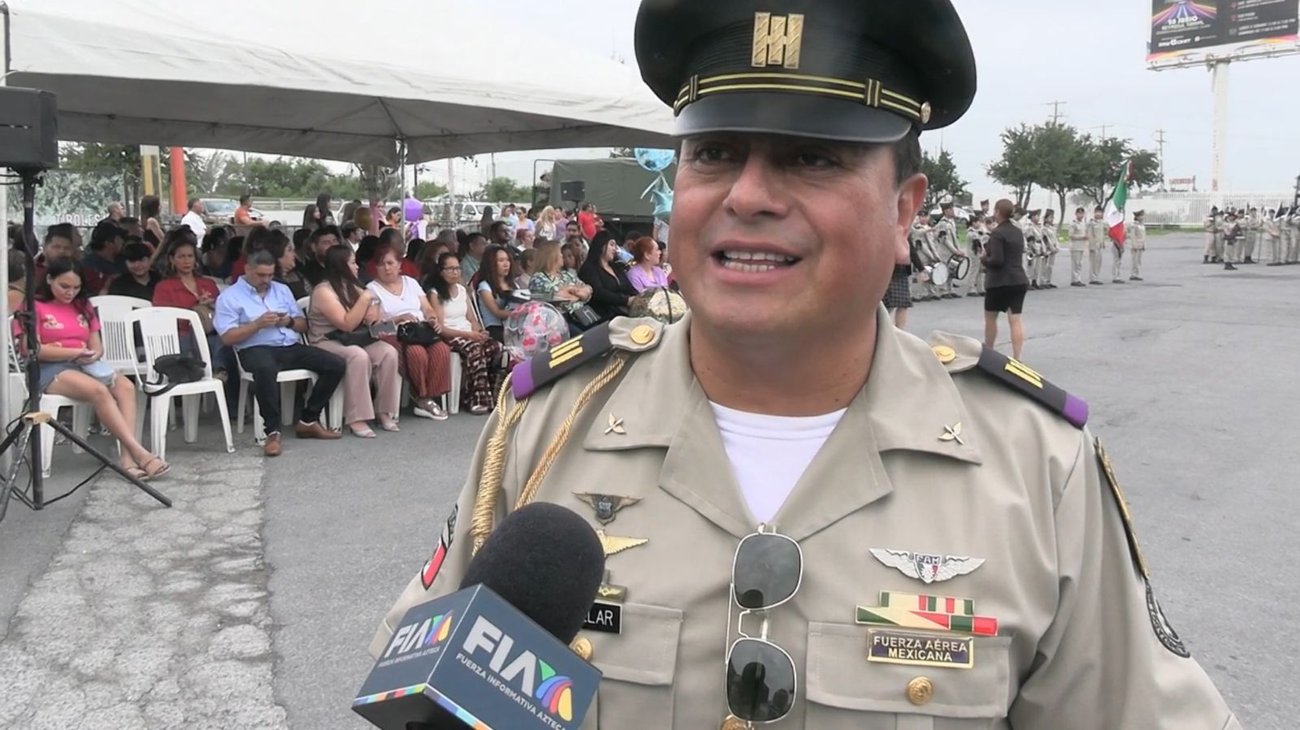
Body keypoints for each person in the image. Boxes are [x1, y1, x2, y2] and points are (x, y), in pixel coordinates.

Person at [370, 1, 1242, 727]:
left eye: (812, 157)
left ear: (905, 211)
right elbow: (425, 692)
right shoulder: (551, 425)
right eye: (715, 153)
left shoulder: (1034, 463)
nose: (748, 194)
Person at [29, 259, 169, 481]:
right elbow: (34, 350)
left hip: (84, 364)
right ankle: (140, 453)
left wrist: (92, 354)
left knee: (125, 386)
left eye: (75, 288)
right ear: (49, 279)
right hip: (50, 368)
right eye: (64, 286)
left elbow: (97, 345)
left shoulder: (82, 305)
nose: (70, 292)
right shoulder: (34, 307)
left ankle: (127, 459)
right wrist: (72, 353)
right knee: (99, 391)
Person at [214, 250, 345, 457]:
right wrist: (256, 325)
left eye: (270, 275)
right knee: (265, 368)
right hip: (254, 349)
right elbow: (227, 338)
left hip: (288, 346)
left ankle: (308, 419)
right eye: (261, 275)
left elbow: (303, 325)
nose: (266, 280)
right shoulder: (229, 297)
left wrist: (289, 321)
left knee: (336, 364)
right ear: (247, 269)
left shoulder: (281, 290)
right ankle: (272, 432)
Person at [307, 246, 402, 437]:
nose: (357, 267)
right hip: (325, 341)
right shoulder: (323, 291)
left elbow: (371, 317)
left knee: (388, 352)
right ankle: (357, 418)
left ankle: (384, 411)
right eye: (352, 262)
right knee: (358, 356)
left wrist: (374, 313)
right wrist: (366, 298)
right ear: (341, 265)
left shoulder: (352, 286)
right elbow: (347, 323)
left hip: (351, 339)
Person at [368, 244, 452, 421]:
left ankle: (430, 395)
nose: (387, 268)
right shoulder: (372, 289)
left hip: (419, 330)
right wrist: (397, 319)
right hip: (395, 333)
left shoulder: (411, 283)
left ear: (400, 265)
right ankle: (422, 398)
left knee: (442, 349)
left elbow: (428, 308)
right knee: (416, 353)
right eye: (382, 264)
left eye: (391, 263)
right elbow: (373, 324)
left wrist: (432, 319)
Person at [427, 252, 506, 415]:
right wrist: (469, 336)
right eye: (450, 269)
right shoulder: (435, 294)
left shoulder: (462, 291)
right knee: (475, 350)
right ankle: (477, 400)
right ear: (441, 271)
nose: (455, 272)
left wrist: (478, 331)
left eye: (457, 268)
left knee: (496, 348)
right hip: (450, 336)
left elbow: (472, 318)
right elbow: (441, 328)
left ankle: (489, 394)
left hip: (469, 333)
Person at [153, 238, 230, 377]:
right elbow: (161, 319)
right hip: (181, 336)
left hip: (210, 332)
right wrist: (194, 310)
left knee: (224, 339)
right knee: (204, 342)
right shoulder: (164, 287)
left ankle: (219, 372)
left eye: (190, 256)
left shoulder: (208, 283)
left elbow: (224, 312)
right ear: (172, 259)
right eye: (181, 257)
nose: (186, 261)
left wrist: (210, 305)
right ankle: (214, 371)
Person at [982, 200, 1030, 359]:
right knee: (1015, 320)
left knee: (990, 318)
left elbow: (997, 260)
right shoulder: (1017, 231)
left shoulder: (997, 233)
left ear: (997, 212)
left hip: (999, 282)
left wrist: (984, 259)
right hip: (1018, 279)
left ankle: (989, 352)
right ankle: (1018, 358)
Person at [577, 231, 637, 322]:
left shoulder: (616, 267)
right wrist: (626, 300)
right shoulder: (589, 269)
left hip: (622, 310)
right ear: (602, 245)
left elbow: (628, 286)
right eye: (612, 245)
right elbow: (599, 292)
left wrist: (638, 297)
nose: (615, 249)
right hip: (604, 314)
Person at [1068, 206, 1089, 287]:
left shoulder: (1083, 223)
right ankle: (1074, 280)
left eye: (1082, 213)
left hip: (1081, 246)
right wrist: (1082, 237)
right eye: (1079, 213)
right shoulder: (1073, 224)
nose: (1081, 215)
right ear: (1076, 214)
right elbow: (1071, 235)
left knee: (1079, 263)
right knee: (1075, 263)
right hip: (1075, 246)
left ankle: (1078, 279)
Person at [1128, 210, 1148, 281]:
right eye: (1140, 216)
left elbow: (1144, 236)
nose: (1142, 217)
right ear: (1137, 217)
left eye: (1142, 215)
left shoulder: (1142, 225)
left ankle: (1136, 274)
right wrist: (1134, 245)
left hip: (1141, 245)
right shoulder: (1134, 225)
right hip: (1136, 246)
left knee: (1138, 261)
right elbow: (1133, 236)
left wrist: (1144, 245)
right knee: (1135, 261)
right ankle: (1133, 274)